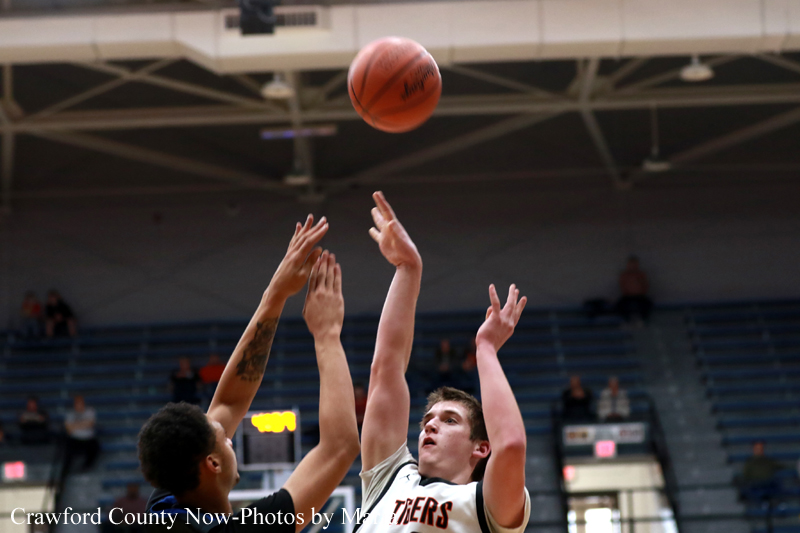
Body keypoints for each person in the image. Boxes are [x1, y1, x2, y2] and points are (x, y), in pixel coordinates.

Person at [138, 215, 360, 533]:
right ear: (212, 463)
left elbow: (229, 401)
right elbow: (339, 447)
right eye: (225, 440)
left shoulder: (166, 505)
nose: (229, 435)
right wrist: (327, 333)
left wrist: (275, 296)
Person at [357, 191, 531, 533]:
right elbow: (386, 369)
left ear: (481, 448)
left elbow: (511, 445)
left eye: (450, 420)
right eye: (428, 420)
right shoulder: (388, 481)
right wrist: (408, 269)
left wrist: (485, 348)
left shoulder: (485, 505)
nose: (430, 426)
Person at [62, 395, 101, 482]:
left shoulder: (90, 411)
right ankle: (66, 472)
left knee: (95, 448)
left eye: (80, 402)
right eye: (77, 403)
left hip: (89, 438)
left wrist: (75, 426)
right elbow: (68, 428)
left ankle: (86, 467)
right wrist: (83, 424)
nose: (79, 404)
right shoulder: (70, 413)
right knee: (66, 450)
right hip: (74, 439)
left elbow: (91, 424)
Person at [616, 256, 653, 324]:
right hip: (627, 296)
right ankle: (626, 320)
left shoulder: (641, 274)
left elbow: (645, 285)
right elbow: (622, 286)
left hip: (640, 296)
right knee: (620, 305)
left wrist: (640, 292)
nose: (632, 266)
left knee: (647, 304)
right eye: (631, 264)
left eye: (634, 264)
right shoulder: (624, 275)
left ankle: (643, 320)